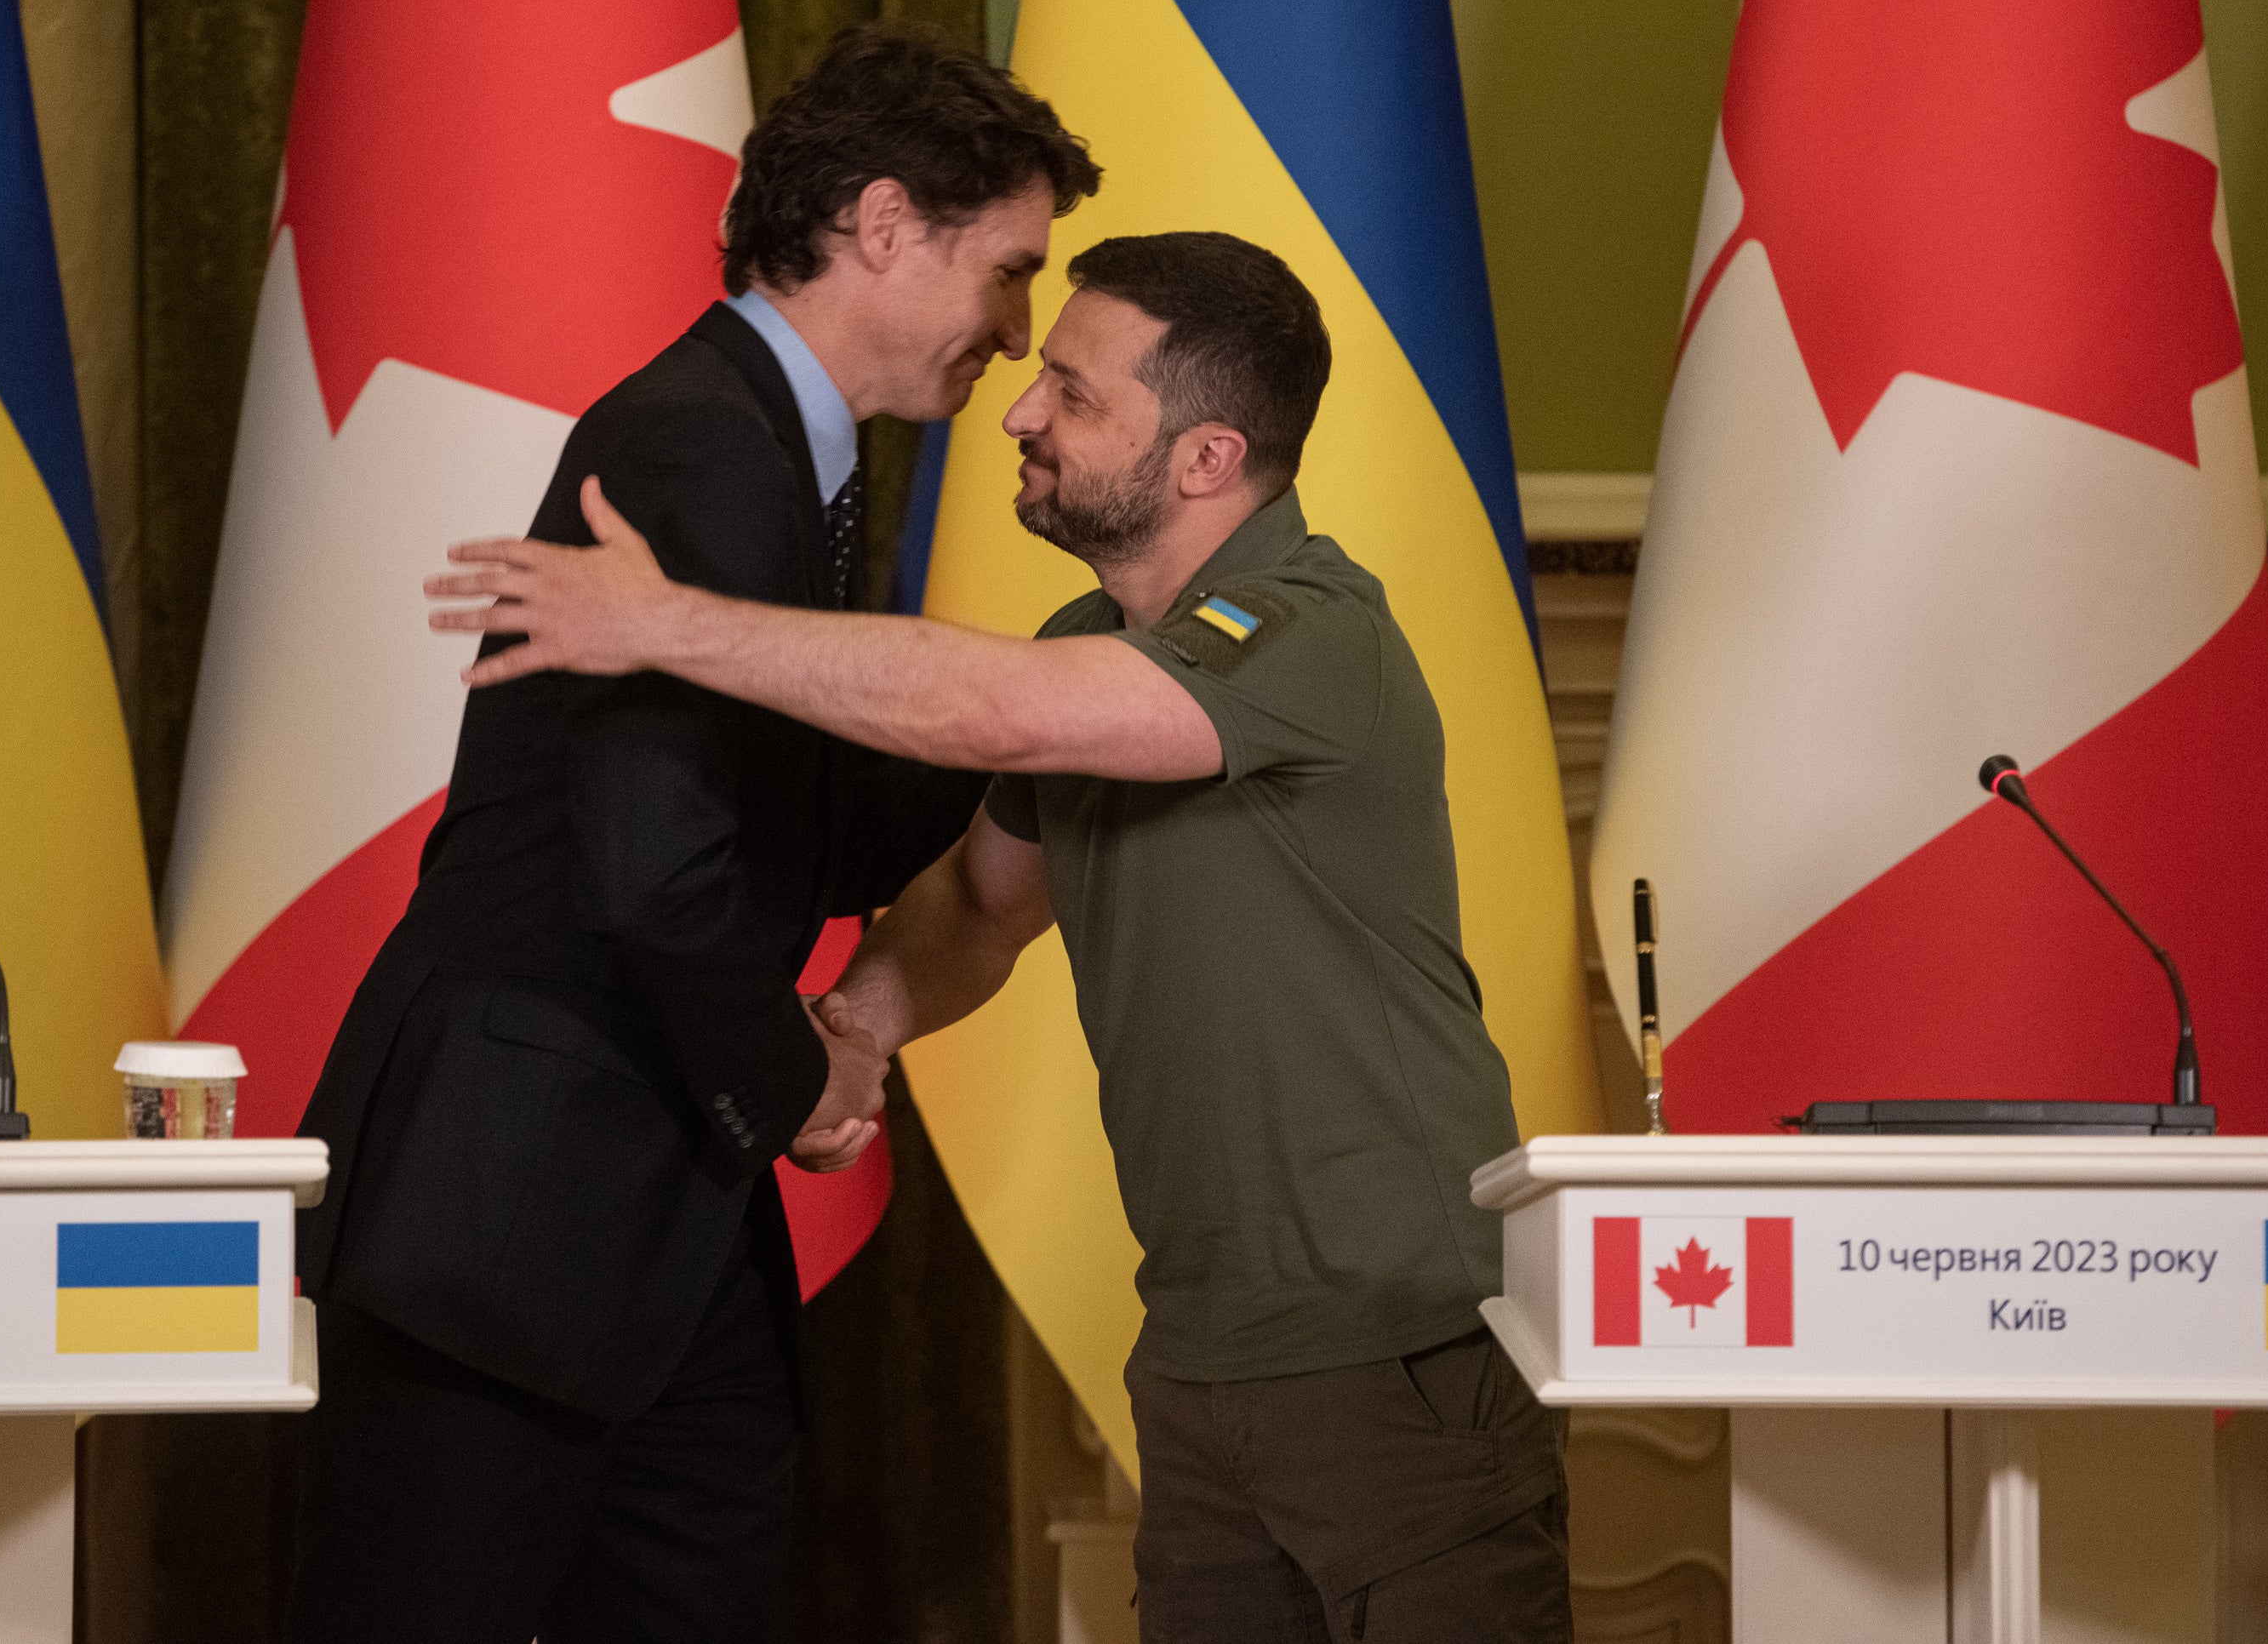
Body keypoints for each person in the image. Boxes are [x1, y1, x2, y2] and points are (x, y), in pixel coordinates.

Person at [431, 230, 1573, 1644]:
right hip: (1203, 1365)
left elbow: (1006, 712)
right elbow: (980, 905)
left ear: (1208, 458)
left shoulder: (1316, 627)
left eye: (1076, 395)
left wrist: (665, 624)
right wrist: (851, 1032)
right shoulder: (1093, 631)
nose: (1021, 411)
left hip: (1396, 1353)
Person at [283, 23, 1101, 1644]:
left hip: (637, 1214)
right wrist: (800, 1079)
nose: (1017, 336)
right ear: (883, 224)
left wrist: (1069, 711)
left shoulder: (771, 451)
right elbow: (658, 870)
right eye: (1009, 273)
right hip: (508, 1212)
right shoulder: (697, 446)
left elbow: (800, 818)